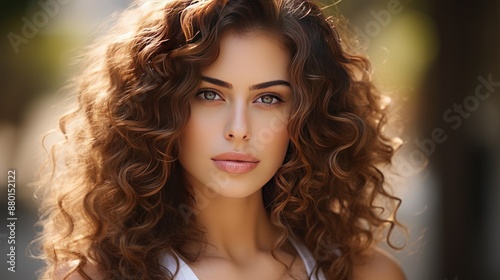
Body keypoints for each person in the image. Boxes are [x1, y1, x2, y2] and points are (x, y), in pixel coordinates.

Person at [32, 0, 406, 279]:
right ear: (157, 109)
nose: (240, 128)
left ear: (305, 118)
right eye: (210, 94)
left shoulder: (367, 273)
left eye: (268, 98)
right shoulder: (94, 278)